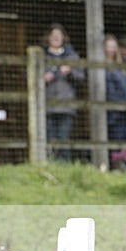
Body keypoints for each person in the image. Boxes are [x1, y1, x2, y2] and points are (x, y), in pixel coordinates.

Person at [42, 23, 85, 161]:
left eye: (58, 35)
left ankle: (65, 166)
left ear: (63, 38)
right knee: (49, 138)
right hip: (47, 105)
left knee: (64, 138)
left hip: (66, 106)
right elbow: (28, 76)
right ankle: (49, 164)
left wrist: (70, 71)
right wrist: (41, 78)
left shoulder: (71, 56)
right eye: (53, 35)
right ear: (48, 38)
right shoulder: (41, 56)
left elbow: (81, 77)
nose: (56, 38)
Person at [104, 34, 126, 170]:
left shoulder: (123, 67)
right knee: (116, 140)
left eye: (113, 46)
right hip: (113, 111)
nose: (111, 49)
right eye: (108, 46)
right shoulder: (103, 67)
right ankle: (115, 166)